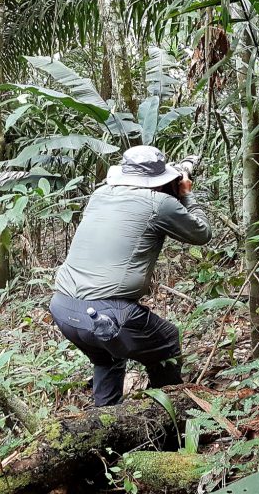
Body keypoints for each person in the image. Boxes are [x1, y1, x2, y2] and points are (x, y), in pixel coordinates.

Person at [49, 146, 212, 406]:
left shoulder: (100, 194)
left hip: (62, 308)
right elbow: (202, 233)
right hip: (109, 313)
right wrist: (186, 196)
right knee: (167, 340)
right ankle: (167, 415)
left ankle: (104, 428)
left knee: (108, 358)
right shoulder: (161, 203)